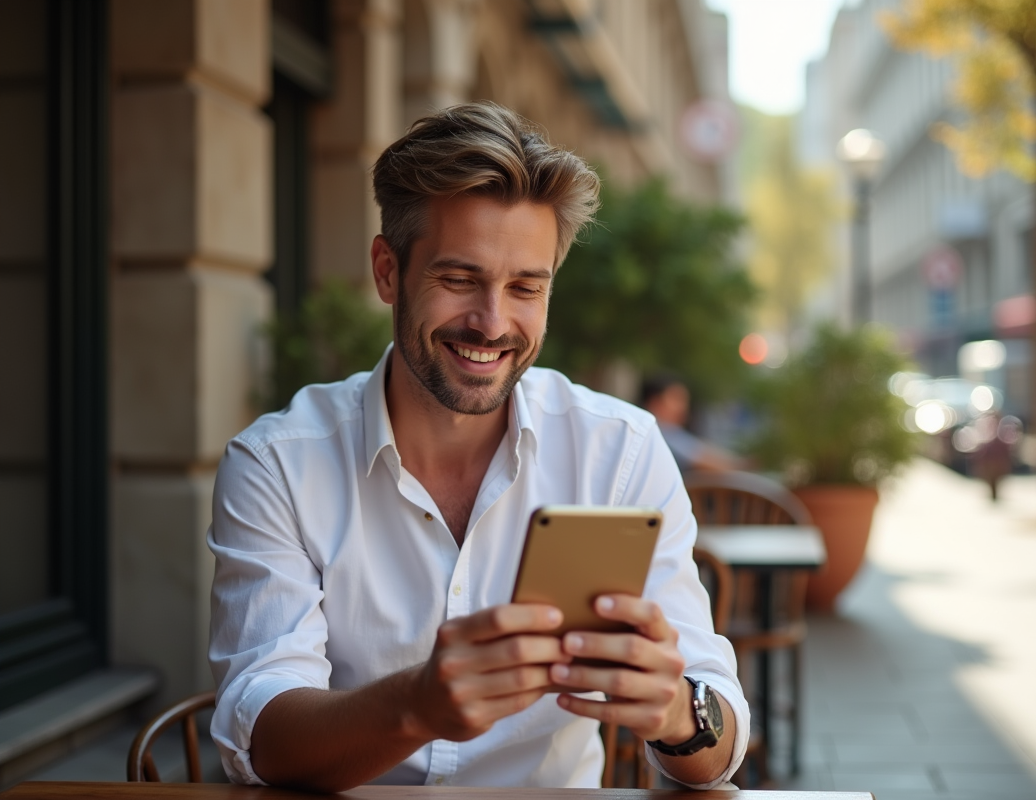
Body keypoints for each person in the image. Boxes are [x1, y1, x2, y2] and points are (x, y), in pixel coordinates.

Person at [207, 103, 748, 791]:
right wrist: (416, 705)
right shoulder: (278, 465)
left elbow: (718, 746)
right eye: (458, 279)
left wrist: (676, 713)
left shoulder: (620, 451)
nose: (492, 324)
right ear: (387, 271)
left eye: (526, 287)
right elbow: (263, 741)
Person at [640, 373, 747, 473]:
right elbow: (702, 462)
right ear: (654, 401)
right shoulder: (661, 433)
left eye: (685, 400)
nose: (683, 407)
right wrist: (741, 467)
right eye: (676, 399)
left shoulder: (671, 431)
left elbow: (703, 451)